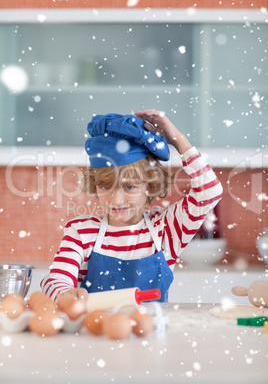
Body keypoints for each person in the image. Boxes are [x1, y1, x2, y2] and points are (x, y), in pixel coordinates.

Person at [41, 109, 223, 303]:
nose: (117, 200)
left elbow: (209, 191)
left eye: (129, 187)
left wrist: (177, 139)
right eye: (105, 186)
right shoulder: (82, 233)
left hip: (152, 331)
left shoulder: (167, 229)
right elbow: (55, 280)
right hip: (96, 331)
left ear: (150, 185)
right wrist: (65, 294)